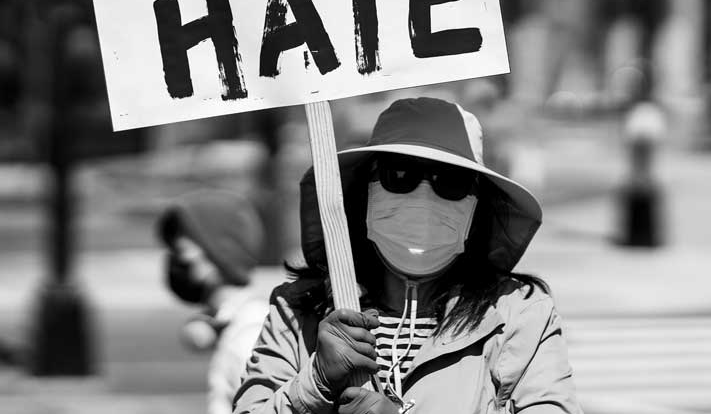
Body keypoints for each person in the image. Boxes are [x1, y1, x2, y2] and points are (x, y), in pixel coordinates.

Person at [233, 96, 581, 414]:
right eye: (399, 174)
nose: (423, 197)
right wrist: (316, 384)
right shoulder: (299, 312)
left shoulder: (520, 315)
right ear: (364, 191)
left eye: (451, 181)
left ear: (478, 208)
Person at [158, 189, 272, 414]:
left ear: (219, 251)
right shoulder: (232, 323)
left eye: (180, 249)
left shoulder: (249, 335)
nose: (175, 259)